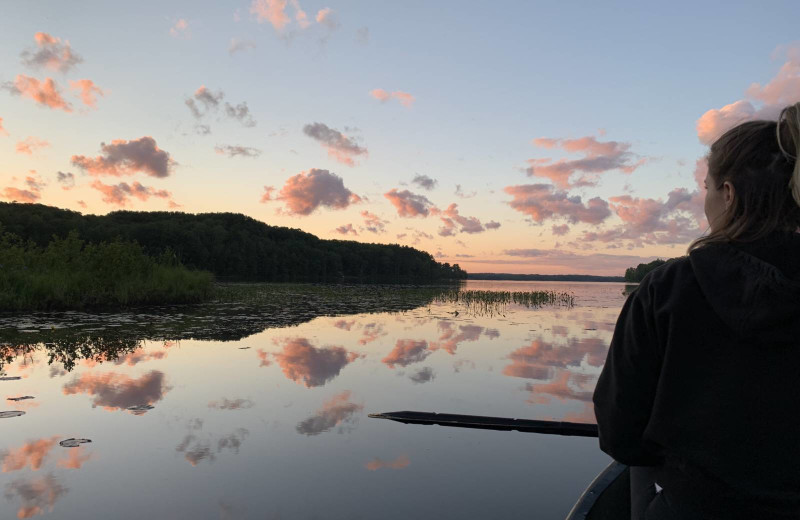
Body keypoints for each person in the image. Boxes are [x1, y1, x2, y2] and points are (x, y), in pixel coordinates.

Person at [592, 102, 800, 520]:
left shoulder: (665, 290)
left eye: (706, 187)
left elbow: (621, 434)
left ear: (728, 193)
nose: (704, 200)